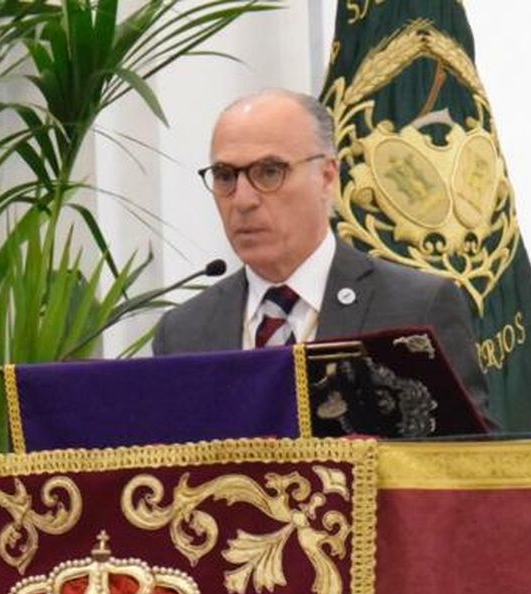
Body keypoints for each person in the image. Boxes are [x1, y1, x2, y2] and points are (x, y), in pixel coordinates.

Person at [153, 89, 493, 424]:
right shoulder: (184, 333)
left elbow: (470, 463)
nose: (242, 200)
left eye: (270, 172)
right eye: (225, 176)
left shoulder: (414, 308)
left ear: (327, 177)